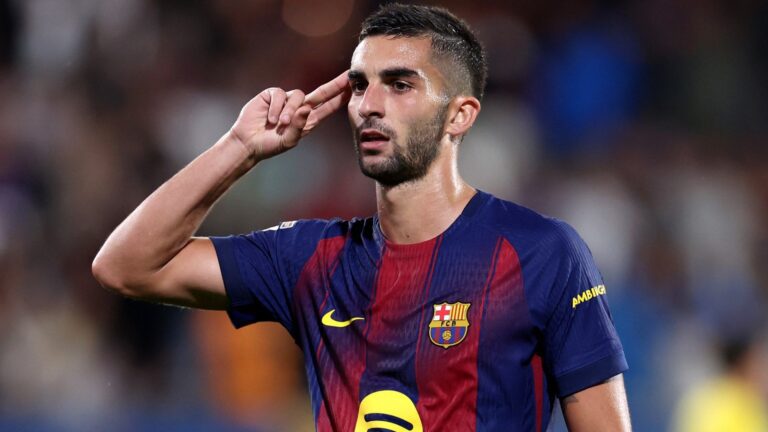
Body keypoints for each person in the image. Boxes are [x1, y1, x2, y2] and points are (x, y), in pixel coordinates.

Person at [93, 4, 631, 431]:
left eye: (399, 85)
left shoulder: (542, 252)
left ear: (459, 115)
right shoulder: (310, 258)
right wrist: (239, 148)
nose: (369, 104)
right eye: (359, 84)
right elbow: (126, 266)